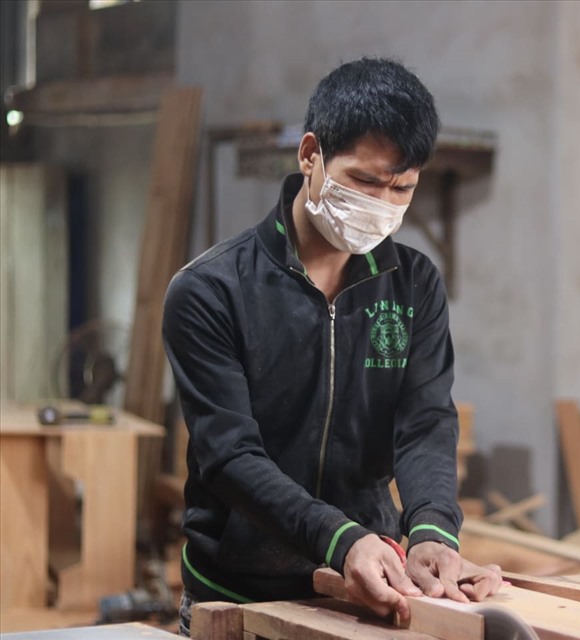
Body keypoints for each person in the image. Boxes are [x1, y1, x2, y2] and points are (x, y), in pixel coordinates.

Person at [162, 57, 501, 636]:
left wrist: (431, 531)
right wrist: (341, 539)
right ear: (310, 154)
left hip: (367, 587)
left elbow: (424, 422)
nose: (382, 203)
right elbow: (230, 457)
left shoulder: (414, 284)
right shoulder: (212, 290)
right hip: (240, 593)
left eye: (403, 187)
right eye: (365, 181)